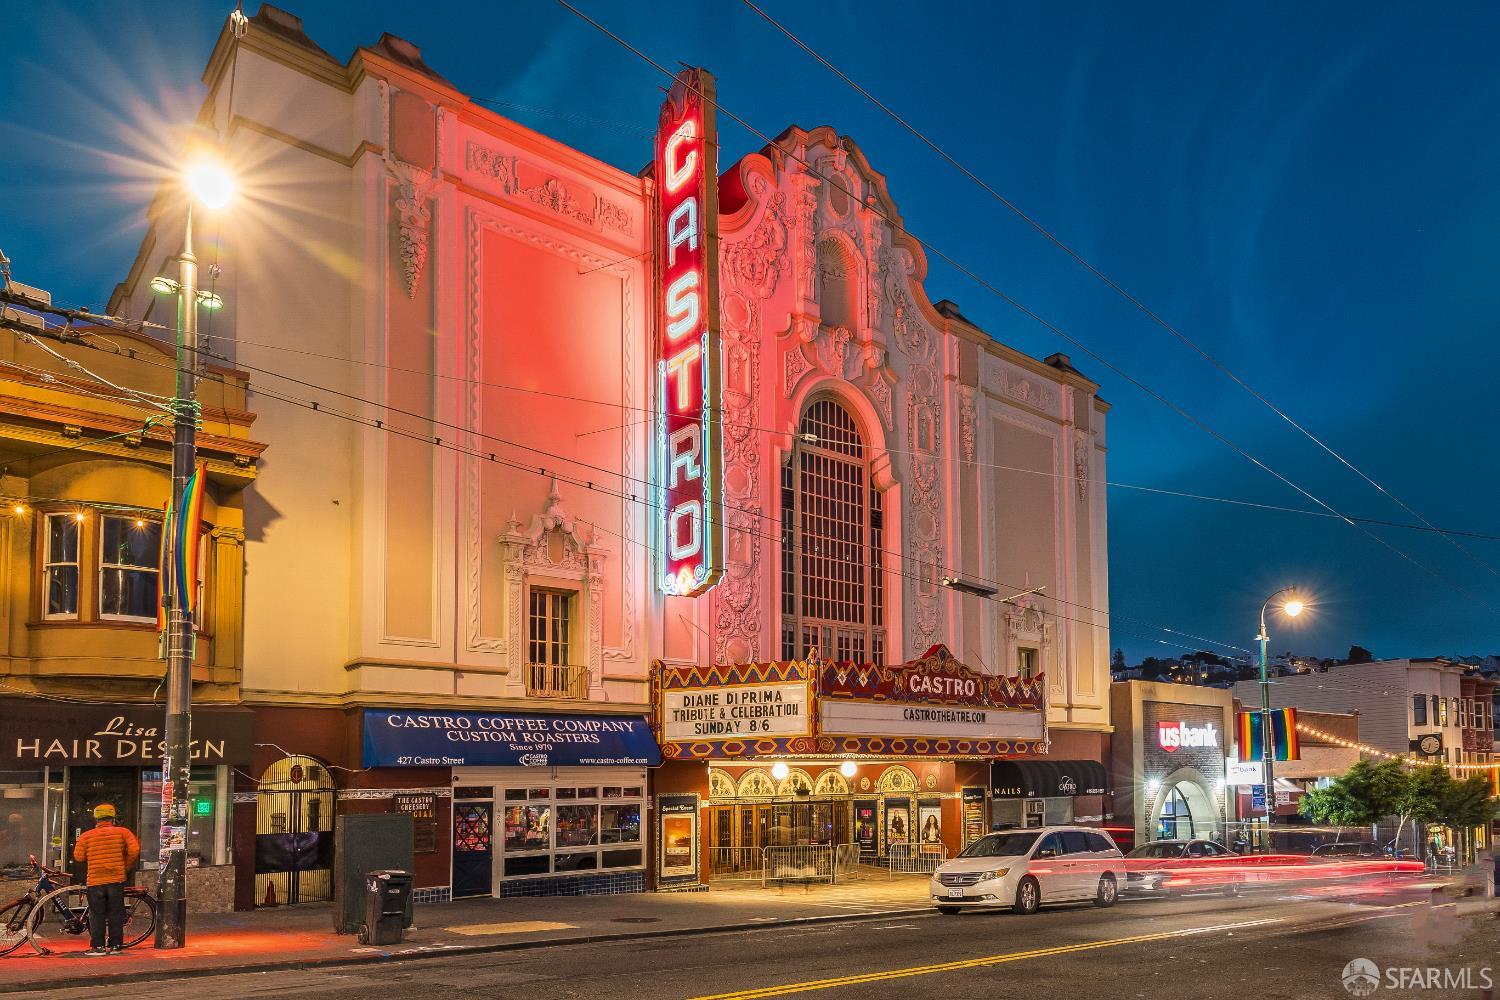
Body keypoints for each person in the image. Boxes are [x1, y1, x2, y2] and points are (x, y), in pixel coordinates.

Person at [72, 804, 140, 957]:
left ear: (96, 818)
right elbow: (134, 850)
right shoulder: (123, 832)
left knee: (96, 914)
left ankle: (98, 947)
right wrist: (125, 866)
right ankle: (116, 945)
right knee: (116, 913)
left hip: (95, 880)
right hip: (116, 879)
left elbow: (78, 856)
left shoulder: (86, 836)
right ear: (113, 817)